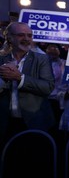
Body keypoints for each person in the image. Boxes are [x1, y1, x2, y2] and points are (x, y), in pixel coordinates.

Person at [0, 22, 55, 153]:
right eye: (21, 35)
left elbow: (48, 87)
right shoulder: (1, 59)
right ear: (9, 38)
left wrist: (20, 78)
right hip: (4, 123)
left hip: (33, 122)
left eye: (29, 35)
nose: (26, 39)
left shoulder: (41, 59)